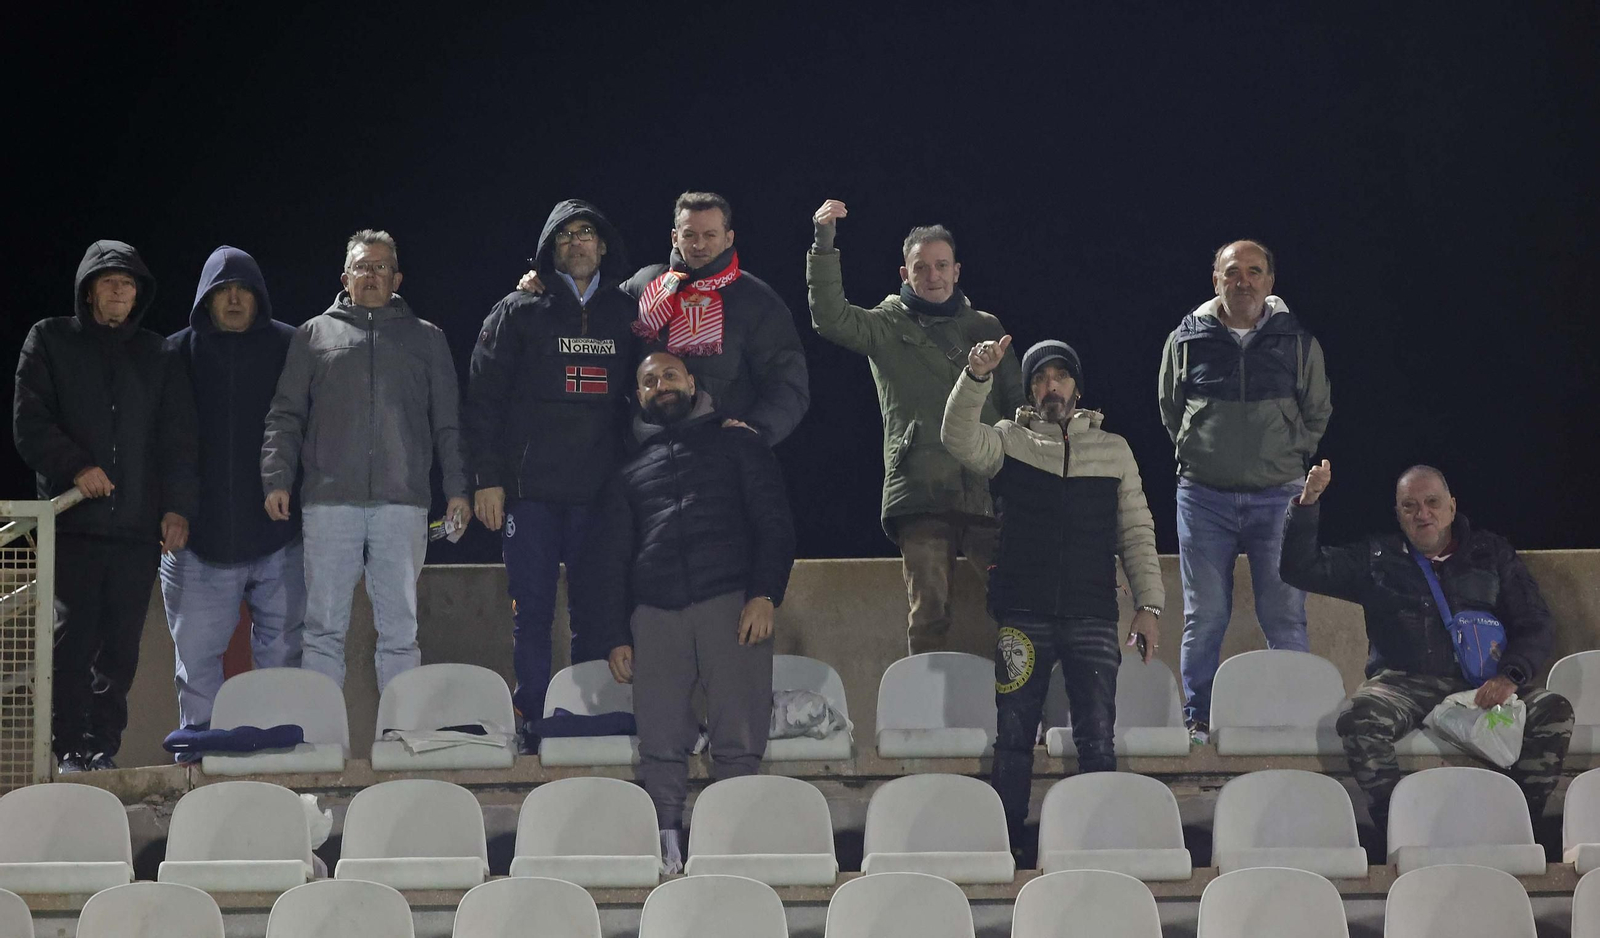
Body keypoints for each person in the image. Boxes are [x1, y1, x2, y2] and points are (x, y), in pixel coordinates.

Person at [944, 335, 1164, 850]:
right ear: (1029, 391)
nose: (1050, 386)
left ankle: (1100, 843)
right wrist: (976, 377)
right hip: (1023, 610)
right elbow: (956, 437)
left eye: (1060, 376)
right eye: (1040, 378)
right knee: (1014, 738)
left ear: (1077, 388)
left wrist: (1148, 606)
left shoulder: (1114, 450)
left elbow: (1136, 530)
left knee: (1097, 738)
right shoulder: (1008, 439)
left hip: (1093, 612)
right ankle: (1007, 847)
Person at [1280, 460, 1572, 829]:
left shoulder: (1492, 553)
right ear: (1398, 513)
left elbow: (1535, 621)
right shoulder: (1377, 557)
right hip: (1402, 683)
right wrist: (1307, 503)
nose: (1423, 514)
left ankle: (1516, 824)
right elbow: (1298, 569)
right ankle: (1401, 826)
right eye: (1410, 506)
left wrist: (1510, 676)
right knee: (1358, 720)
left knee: (1554, 709)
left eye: (1432, 502)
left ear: (1451, 506)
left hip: (1480, 686)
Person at [596, 351, 795, 873]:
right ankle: (667, 850)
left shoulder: (739, 443)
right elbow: (612, 559)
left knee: (738, 738)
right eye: (648, 381)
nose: (660, 385)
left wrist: (765, 595)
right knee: (660, 740)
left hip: (730, 603)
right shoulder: (627, 471)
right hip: (656, 613)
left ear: (691, 382)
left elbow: (774, 524)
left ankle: (735, 847)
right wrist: (616, 633)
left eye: (669, 375)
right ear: (637, 396)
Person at [807, 199, 1026, 655]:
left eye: (941, 265)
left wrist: (1022, 478)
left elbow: (1016, 408)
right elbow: (831, 317)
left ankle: (1026, 714)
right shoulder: (887, 324)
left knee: (1018, 603)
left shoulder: (985, 325)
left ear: (957, 270)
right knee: (929, 612)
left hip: (987, 490)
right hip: (921, 492)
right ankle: (923, 721)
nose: (933, 275)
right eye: (921, 267)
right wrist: (823, 243)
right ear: (904, 274)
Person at [12, 240, 198, 772]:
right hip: (73, 524)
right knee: (71, 644)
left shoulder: (158, 354)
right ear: (89, 290)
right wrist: (77, 466)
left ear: (139, 294)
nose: (119, 290)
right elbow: (30, 422)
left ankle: (102, 748)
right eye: (109, 281)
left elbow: (179, 440)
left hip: (138, 530)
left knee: (119, 651)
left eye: (129, 283)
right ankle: (68, 745)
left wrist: (177, 508)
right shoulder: (50, 339)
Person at [261, 230, 469, 691]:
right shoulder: (312, 335)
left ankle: (398, 737)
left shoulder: (427, 339)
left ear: (396, 278)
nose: (371, 275)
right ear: (345, 276)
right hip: (329, 502)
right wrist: (277, 478)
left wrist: (458, 490)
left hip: (403, 503)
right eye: (362, 266)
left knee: (400, 632)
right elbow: (286, 415)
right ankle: (320, 740)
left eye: (380, 267)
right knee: (321, 632)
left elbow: (449, 424)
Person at [465, 200, 637, 749]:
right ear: (549, 250)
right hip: (531, 494)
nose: (577, 243)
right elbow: (484, 400)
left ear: (603, 245)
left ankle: (584, 724)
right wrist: (486, 478)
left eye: (587, 233)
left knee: (595, 614)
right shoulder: (519, 310)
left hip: (599, 495)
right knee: (532, 614)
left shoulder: (628, 314)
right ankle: (535, 722)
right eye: (564, 236)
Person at [1157, 239, 1332, 742]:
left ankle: (1294, 718)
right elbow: (1171, 409)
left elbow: (1317, 410)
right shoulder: (1185, 339)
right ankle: (1199, 720)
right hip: (1203, 498)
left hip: (1279, 497)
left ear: (1270, 282)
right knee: (1204, 616)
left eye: (1254, 272)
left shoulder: (1297, 342)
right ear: (1216, 280)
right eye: (1233, 272)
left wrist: (1285, 452)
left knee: (1284, 615)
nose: (1244, 281)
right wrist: (1201, 450)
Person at [517, 191, 810, 444]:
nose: (699, 245)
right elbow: (589, 307)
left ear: (729, 237)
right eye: (689, 235)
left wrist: (757, 430)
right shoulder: (645, 284)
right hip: (648, 453)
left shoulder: (756, 300)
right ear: (674, 236)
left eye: (710, 235)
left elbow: (788, 384)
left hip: (722, 451)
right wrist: (542, 283)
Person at [162, 246, 305, 742]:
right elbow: (163, 440)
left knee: (283, 652)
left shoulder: (292, 345)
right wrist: (170, 509)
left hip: (279, 536)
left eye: (243, 289)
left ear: (259, 296)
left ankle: (278, 747)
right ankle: (199, 753)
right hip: (197, 539)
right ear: (206, 298)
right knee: (196, 657)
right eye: (223, 291)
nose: (235, 299)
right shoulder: (175, 351)